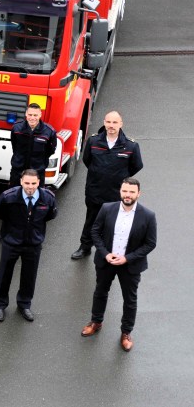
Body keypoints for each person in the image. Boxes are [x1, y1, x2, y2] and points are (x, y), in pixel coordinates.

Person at [81, 178, 157, 352]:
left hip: (129, 265)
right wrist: (105, 253)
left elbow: (150, 243)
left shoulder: (148, 215)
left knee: (130, 300)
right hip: (106, 261)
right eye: (125, 191)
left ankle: (126, 332)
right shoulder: (107, 208)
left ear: (139, 193)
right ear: (120, 191)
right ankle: (96, 322)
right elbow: (95, 231)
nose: (127, 195)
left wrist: (127, 258)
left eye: (131, 192)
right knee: (100, 292)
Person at [72, 111, 143, 260]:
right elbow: (87, 160)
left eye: (115, 122)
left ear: (121, 124)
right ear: (104, 122)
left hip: (115, 193)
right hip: (95, 191)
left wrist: (119, 177)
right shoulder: (93, 142)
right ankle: (85, 247)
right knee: (91, 220)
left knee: (113, 224)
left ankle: (110, 251)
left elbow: (136, 166)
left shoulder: (130, 145)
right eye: (108, 122)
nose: (111, 126)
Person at [0, 169, 58, 322]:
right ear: (21, 182)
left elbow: (51, 215)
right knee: (4, 274)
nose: (30, 187)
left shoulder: (47, 198)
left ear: (39, 183)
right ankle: (0, 305)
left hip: (33, 243)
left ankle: (24, 304)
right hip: (12, 241)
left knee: (29, 275)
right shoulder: (8, 197)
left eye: (33, 183)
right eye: (27, 183)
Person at [0, 103, 57, 242]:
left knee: (36, 204)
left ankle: (33, 232)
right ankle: (5, 231)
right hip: (18, 171)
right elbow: (15, 146)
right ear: (26, 115)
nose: (32, 118)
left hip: (37, 173)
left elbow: (49, 151)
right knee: (11, 201)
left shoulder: (49, 132)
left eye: (35, 115)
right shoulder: (17, 128)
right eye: (30, 115)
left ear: (40, 115)